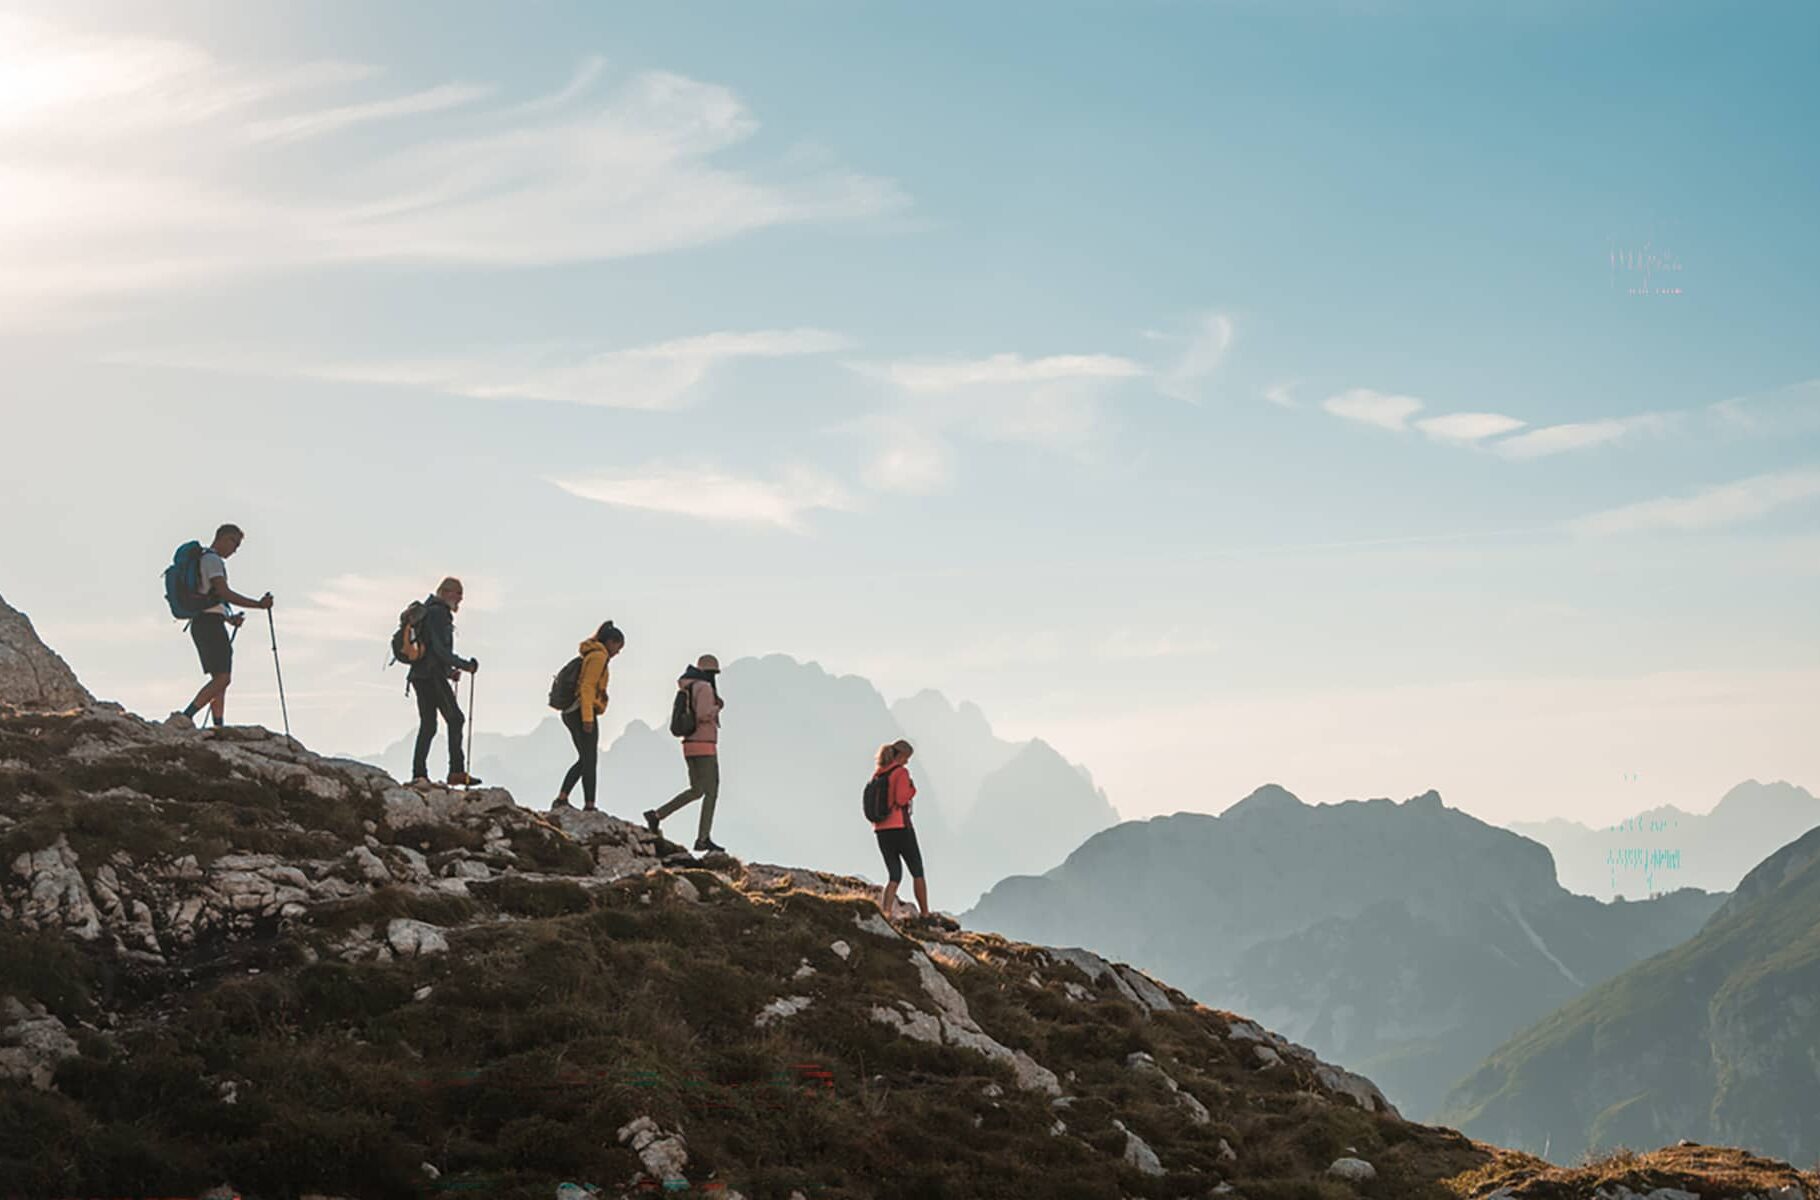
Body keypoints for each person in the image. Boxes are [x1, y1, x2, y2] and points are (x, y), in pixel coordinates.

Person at [166, 523, 273, 730]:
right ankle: (186, 717)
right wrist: (258, 605)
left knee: (219, 678)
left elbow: (210, 599)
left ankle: (218, 725)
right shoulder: (212, 560)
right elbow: (224, 593)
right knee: (223, 678)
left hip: (204, 623)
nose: (235, 549)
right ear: (223, 538)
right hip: (209, 626)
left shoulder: (205, 560)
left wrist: (229, 619)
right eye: (234, 543)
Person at [644, 654, 726, 853]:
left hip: (689, 744)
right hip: (704, 744)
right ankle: (703, 838)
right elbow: (704, 714)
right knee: (711, 791)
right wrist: (717, 707)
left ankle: (657, 815)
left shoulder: (688, 687)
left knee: (696, 790)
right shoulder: (705, 688)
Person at [407, 576, 481, 788]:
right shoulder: (439, 613)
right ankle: (456, 771)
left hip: (420, 675)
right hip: (432, 676)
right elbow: (439, 650)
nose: (460, 599)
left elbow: (430, 649)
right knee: (455, 719)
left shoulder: (428, 611)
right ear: (447, 592)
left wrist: (450, 672)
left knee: (429, 725)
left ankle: (419, 774)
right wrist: (465, 666)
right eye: (458, 594)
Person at [552, 620, 625, 813]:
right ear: (611, 642)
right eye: (618, 647)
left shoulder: (591, 654)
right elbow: (587, 687)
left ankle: (563, 798)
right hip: (581, 712)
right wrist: (587, 718)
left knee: (586, 758)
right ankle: (588, 804)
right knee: (589, 759)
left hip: (571, 712)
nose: (618, 652)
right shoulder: (599, 656)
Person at [871, 739, 932, 922]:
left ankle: (886, 913)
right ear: (902, 755)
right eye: (907, 758)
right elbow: (901, 799)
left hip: (881, 830)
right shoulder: (900, 772)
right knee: (917, 870)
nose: (907, 762)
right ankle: (925, 914)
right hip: (900, 828)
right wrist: (912, 789)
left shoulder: (878, 774)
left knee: (894, 874)